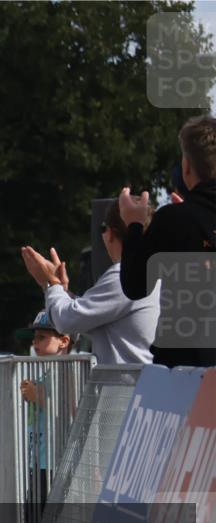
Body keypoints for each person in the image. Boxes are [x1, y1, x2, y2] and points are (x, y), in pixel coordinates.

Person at [118, 115, 216, 368]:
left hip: (184, 373)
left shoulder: (174, 219)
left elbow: (135, 286)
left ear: (186, 167)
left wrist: (135, 225)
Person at [21, 201, 160, 365]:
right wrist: (61, 291)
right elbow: (87, 319)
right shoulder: (157, 273)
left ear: (109, 233)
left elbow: (65, 321)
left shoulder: (124, 276)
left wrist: (51, 283)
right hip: (146, 385)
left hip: (126, 389)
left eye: (102, 228)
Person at [0, 311, 73, 523]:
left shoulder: (68, 369)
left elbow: (72, 412)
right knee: (34, 519)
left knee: (46, 522)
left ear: (64, 341)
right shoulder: (45, 370)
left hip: (53, 461)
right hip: (38, 458)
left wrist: (40, 397)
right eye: (35, 338)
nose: (36, 344)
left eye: (42, 338)